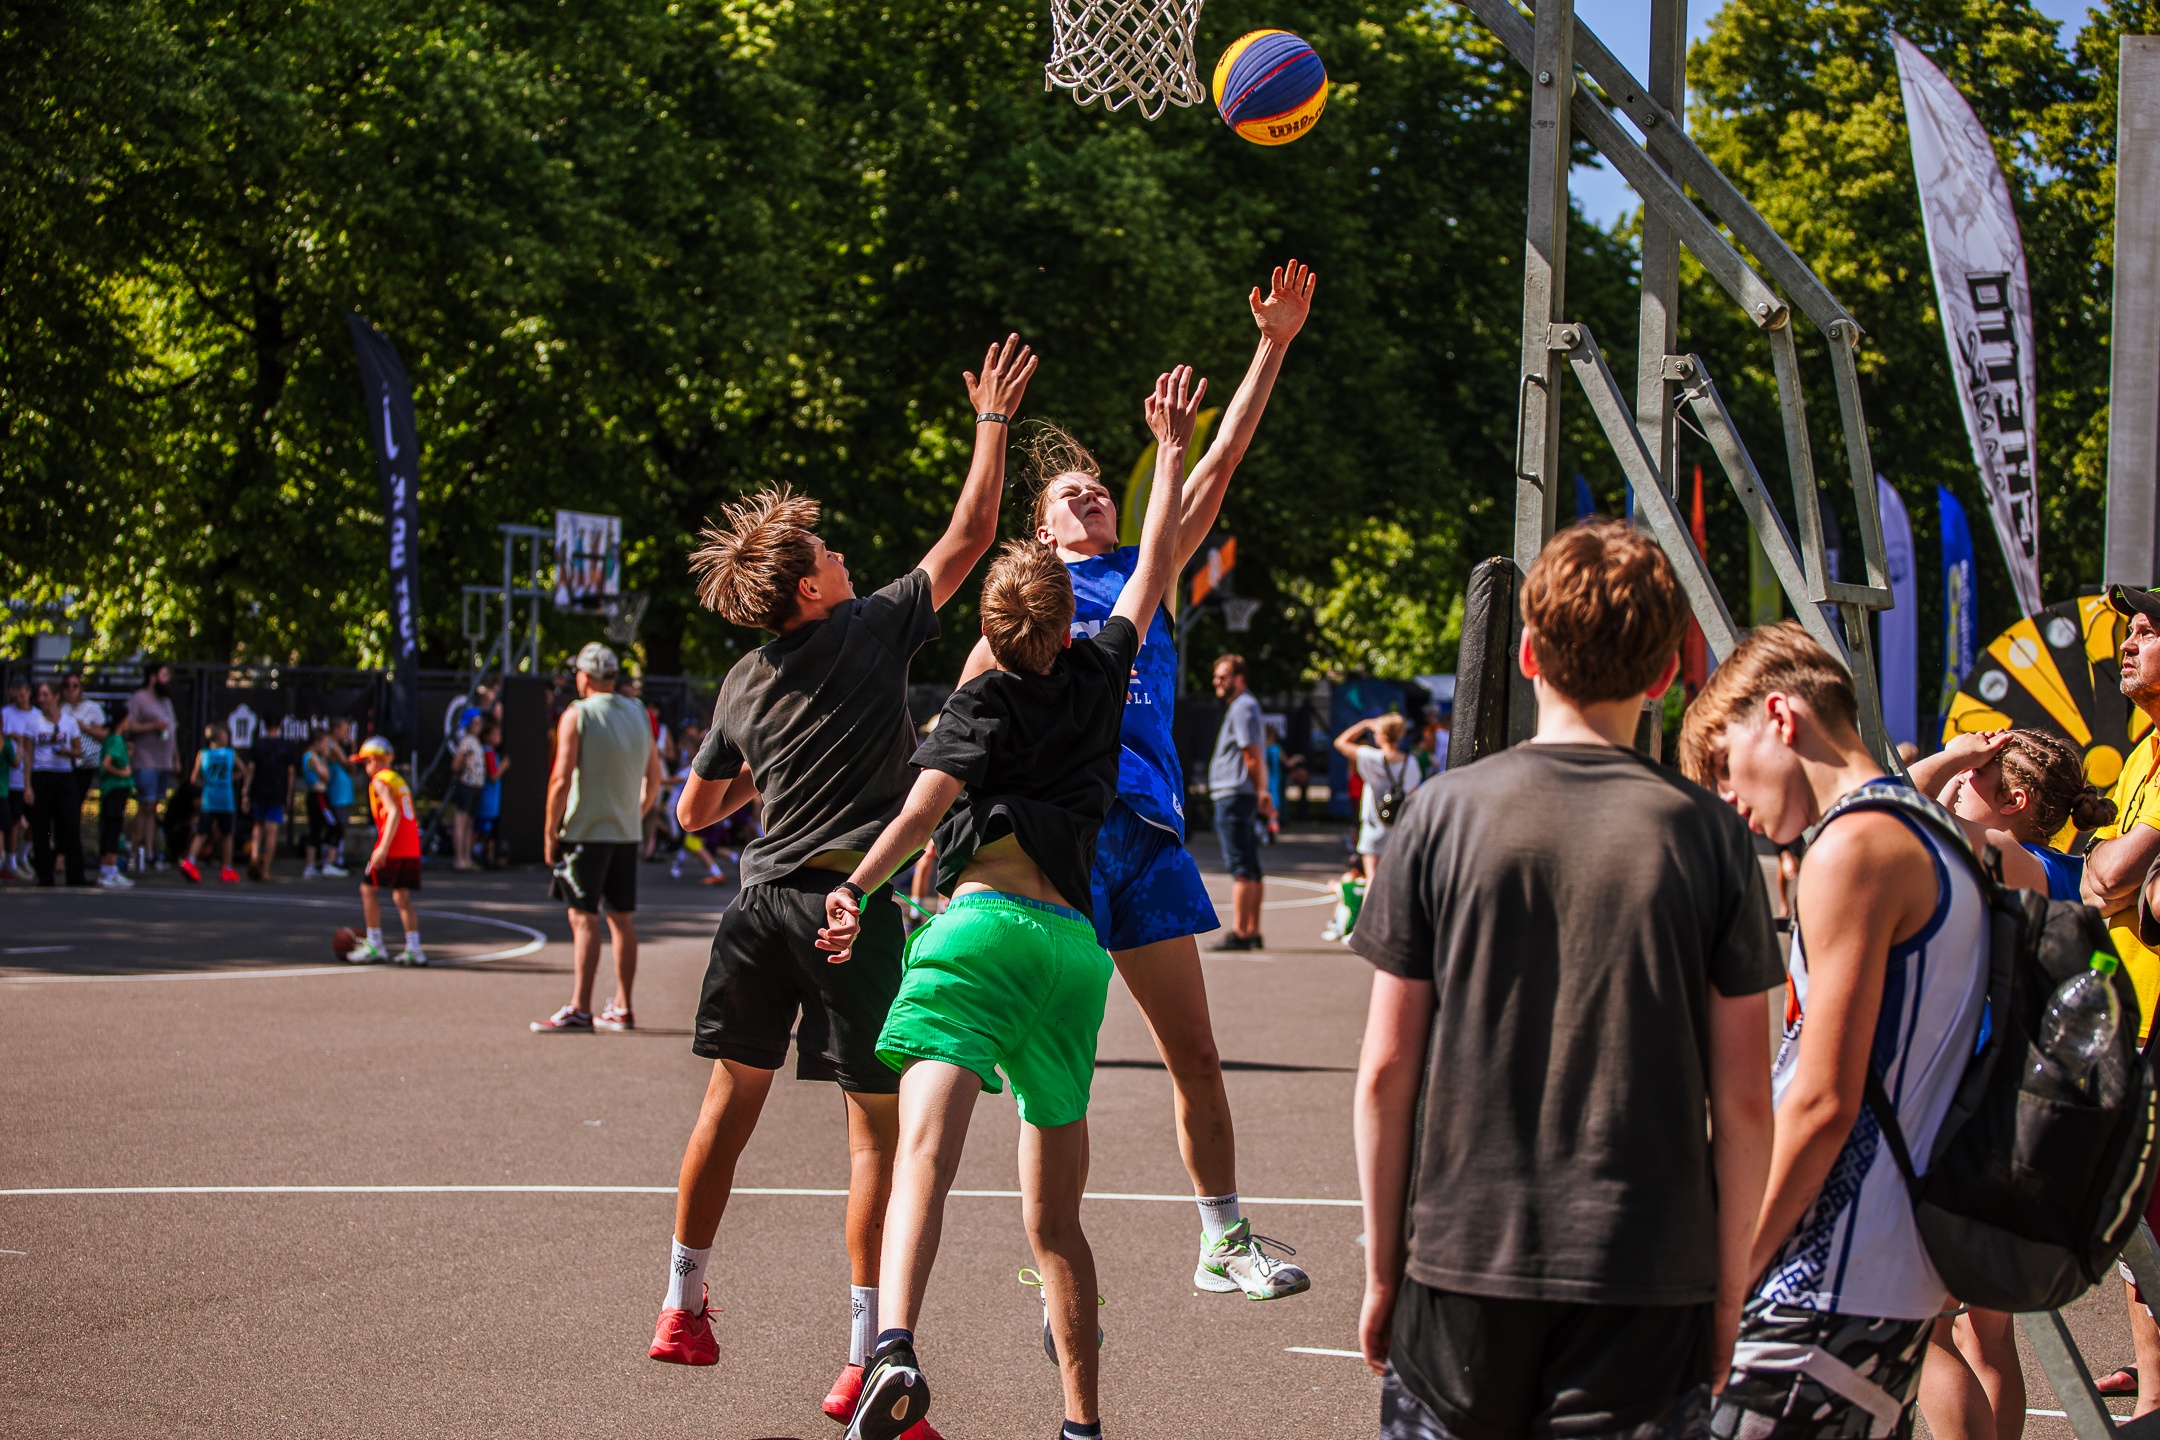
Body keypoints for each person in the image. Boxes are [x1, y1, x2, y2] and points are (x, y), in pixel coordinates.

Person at [648, 332, 1034, 1440]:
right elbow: (969, 537)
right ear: (812, 587)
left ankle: (681, 1304)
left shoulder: (743, 676)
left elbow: (694, 812)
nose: (845, 554)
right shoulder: (866, 630)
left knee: (728, 1106)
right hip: (842, 909)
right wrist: (992, 423)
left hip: (754, 907)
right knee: (875, 1136)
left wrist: (768, 770)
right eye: (829, 550)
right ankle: (864, 1363)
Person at [821, 363, 1200, 1440]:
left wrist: (854, 888)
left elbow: (916, 814)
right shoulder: (1101, 672)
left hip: (982, 933)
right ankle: (1082, 1424)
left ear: (989, 630)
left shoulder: (980, 701)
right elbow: (1154, 564)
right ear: (1071, 619)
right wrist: (1169, 452)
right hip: (1074, 957)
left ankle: (895, 1346)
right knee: (1057, 1224)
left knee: (924, 1157)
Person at [1353, 519, 1779, 1440]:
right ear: (1666, 675)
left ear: (1527, 654)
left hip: (1462, 1254)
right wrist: (1729, 1293)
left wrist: (1385, 1268)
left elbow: (1387, 1070)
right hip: (1647, 1265)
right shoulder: (1710, 835)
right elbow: (1746, 1100)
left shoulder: (1440, 815)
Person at [955, 261, 1316, 1301]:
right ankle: (1052, 1250)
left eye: (1102, 489)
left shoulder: (1145, 566)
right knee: (1047, 1072)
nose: (1093, 495)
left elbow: (1222, 457)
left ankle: (1224, 1239)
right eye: (1071, 495)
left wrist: (1271, 345)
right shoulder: (1021, 607)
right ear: (1040, 531)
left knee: (1194, 1050)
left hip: (1143, 835)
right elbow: (960, 728)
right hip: (1053, 846)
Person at [1679, 621, 1990, 1440]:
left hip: (1823, 1277)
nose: (1728, 799)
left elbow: (1821, 1102)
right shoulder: (1934, 832)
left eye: (1723, 765)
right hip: (1887, 1272)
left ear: (1779, 717)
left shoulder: (1852, 848)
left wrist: (1728, 1280)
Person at [2079, 584, 2160, 1417]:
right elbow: (2110, 882)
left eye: (2144, 632)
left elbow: (2107, 880)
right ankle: (2151, 1385)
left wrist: (2111, 872)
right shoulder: (2142, 750)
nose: (2127, 646)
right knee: (2142, 1220)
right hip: (2134, 1012)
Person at [532, 642, 667, 1033]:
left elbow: (560, 779)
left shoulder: (578, 714)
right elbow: (655, 777)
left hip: (585, 832)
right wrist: (635, 814)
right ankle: (623, 1007)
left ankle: (580, 1007)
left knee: (583, 918)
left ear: (585, 677)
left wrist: (550, 831)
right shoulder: (638, 711)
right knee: (621, 919)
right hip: (624, 832)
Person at [1908, 726, 2112, 899]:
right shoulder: (2051, 866)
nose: (1962, 777)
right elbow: (1927, 822)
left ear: (2012, 801)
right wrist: (1961, 764)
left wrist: (1957, 755)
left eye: (1977, 770)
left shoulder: (2008, 855)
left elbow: (1903, 800)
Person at [1206, 654, 1274, 950]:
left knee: (1241, 867)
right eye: (1216, 676)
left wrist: (1262, 791)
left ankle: (1241, 933)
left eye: (1223, 676)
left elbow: (1251, 753)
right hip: (1240, 794)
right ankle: (1253, 931)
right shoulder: (1246, 706)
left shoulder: (1243, 707)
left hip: (1234, 794)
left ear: (1239, 678)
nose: (1217, 682)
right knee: (1250, 864)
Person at [344, 735, 425, 965]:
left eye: (366, 762)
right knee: (401, 897)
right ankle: (414, 948)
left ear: (375, 761)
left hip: (394, 846)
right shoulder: (398, 780)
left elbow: (393, 812)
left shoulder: (379, 781)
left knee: (367, 889)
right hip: (411, 846)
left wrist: (383, 847)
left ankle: (375, 944)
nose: (365, 767)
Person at [1333, 712, 1427, 882]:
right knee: (1395, 881)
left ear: (1382, 735)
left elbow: (1340, 743)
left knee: (1372, 878)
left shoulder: (1371, 757)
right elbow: (1413, 795)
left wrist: (1364, 725)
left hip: (1373, 825)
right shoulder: (1410, 762)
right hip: (1399, 827)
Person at [23, 680, 90, 887]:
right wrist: (27, 785)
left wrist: (66, 752)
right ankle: (45, 875)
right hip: (41, 775)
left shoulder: (69, 722)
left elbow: (78, 750)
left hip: (63, 775)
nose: (41, 699)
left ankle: (75, 874)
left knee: (70, 823)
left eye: (45, 695)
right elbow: (28, 756)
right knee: (42, 826)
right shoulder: (34, 723)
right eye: (39, 695)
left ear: (55, 696)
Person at [124, 662, 179, 871]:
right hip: (145, 760)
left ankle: (149, 853)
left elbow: (172, 731)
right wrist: (153, 726)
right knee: (145, 804)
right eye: (164, 674)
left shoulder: (166, 701)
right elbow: (128, 726)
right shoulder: (139, 698)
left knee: (153, 807)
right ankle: (133, 849)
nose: (167, 679)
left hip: (163, 761)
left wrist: (175, 758)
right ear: (152, 677)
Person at [180, 722, 246, 883]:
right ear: (221, 736)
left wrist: (208, 783)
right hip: (225, 800)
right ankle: (227, 868)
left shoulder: (203, 754)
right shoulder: (230, 754)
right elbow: (243, 770)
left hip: (209, 799)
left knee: (202, 832)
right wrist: (230, 778)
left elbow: (194, 779)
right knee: (227, 834)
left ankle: (190, 861)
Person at [247, 723, 295, 882]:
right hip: (277, 790)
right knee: (272, 830)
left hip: (259, 790)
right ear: (279, 725)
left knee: (258, 824)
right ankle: (266, 870)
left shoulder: (258, 744)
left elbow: (251, 768)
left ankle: (254, 856)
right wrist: (288, 794)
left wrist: (246, 791)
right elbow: (290, 772)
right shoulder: (285, 746)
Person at [5, 675, 40, 875]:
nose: (19, 699)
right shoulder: (5, 714)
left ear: (29, 693)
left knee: (36, 820)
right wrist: (12, 737)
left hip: (33, 776)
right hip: (13, 777)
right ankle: (10, 861)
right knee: (14, 821)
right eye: (15, 696)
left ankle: (23, 855)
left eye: (22, 694)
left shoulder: (37, 715)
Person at [95, 719, 136, 888]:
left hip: (110, 789)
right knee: (113, 827)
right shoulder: (116, 739)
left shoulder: (111, 739)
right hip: (116, 789)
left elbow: (116, 760)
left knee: (109, 827)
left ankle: (106, 869)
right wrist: (122, 773)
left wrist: (128, 755)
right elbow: (106, 763)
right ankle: (110, 869)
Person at [448, 713, 487, 872]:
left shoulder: (476, 741)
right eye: (475, 723)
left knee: (469, 822)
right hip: (467, 785)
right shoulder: (466, 741)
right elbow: (456, 764)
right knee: (461, 821)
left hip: (476, 786)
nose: (479, 726)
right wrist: (465, 771)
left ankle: (466, 858)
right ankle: (459, 859)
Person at [475, 717, 507, 869]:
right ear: (487, 736)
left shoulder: (492, 752)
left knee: (487, 831)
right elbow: (493, 775)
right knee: (481, 830)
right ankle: (476, 853)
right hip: (487, 801)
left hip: (493, 800)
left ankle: (487, 855)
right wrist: (504, 766)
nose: (498, 737)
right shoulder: (488, 753)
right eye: (495, 734)